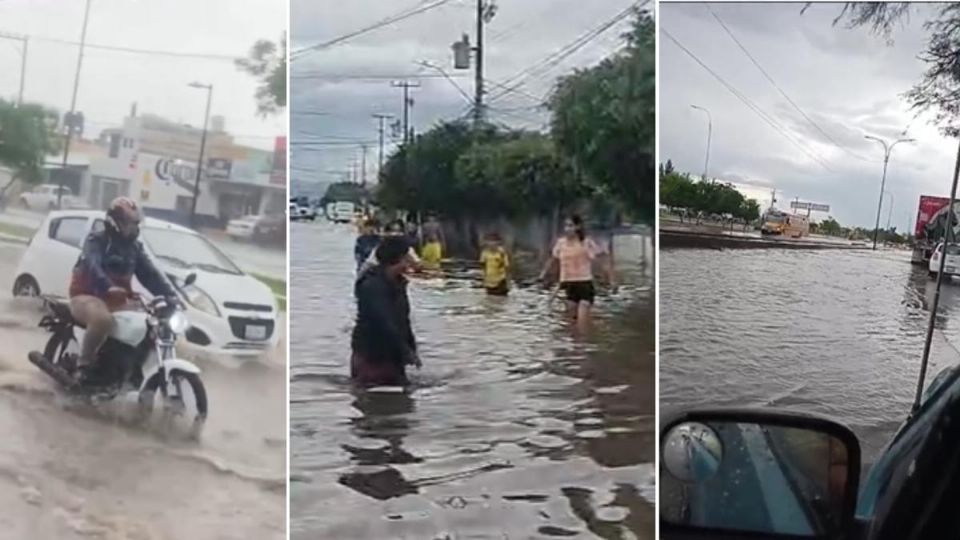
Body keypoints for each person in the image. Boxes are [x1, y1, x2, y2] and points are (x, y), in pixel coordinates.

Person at [68, 197, 178, 386]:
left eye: (136, 223)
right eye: (130, 223)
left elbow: (150, 274)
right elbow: (93, 266)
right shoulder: (97, 240)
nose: (134, 228)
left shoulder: (134, 248)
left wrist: (171, 295)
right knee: (102, 319)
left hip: (118, 299)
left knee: (150, 326)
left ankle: (130, 369)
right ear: (114, 222)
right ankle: (84, 367)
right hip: (87, 295)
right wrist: (107, 286)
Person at [351, 235, 421, 386]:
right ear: (399, 258)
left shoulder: (398, 283)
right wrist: (405, 350)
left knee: (402, 404)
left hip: (393, 354)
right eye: (408, 256)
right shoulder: (372, 285)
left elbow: (403, 319)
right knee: (375, 400)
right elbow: (383, 321)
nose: (411, 260)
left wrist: (411, 347)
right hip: (372, 354)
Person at [538, 215, 615, 327]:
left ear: (578, 227)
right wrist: (543, 275)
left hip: (584, 284)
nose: (567, 229)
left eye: (570, 226)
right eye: (566, 226)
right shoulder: (561, 243)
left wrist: (610, 279)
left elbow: (601, 261)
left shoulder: (586, 243)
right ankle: (574, 343)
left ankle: (583, 342)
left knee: (581, 323)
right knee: (571, 323)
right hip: (568, 284)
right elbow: (553, 260)